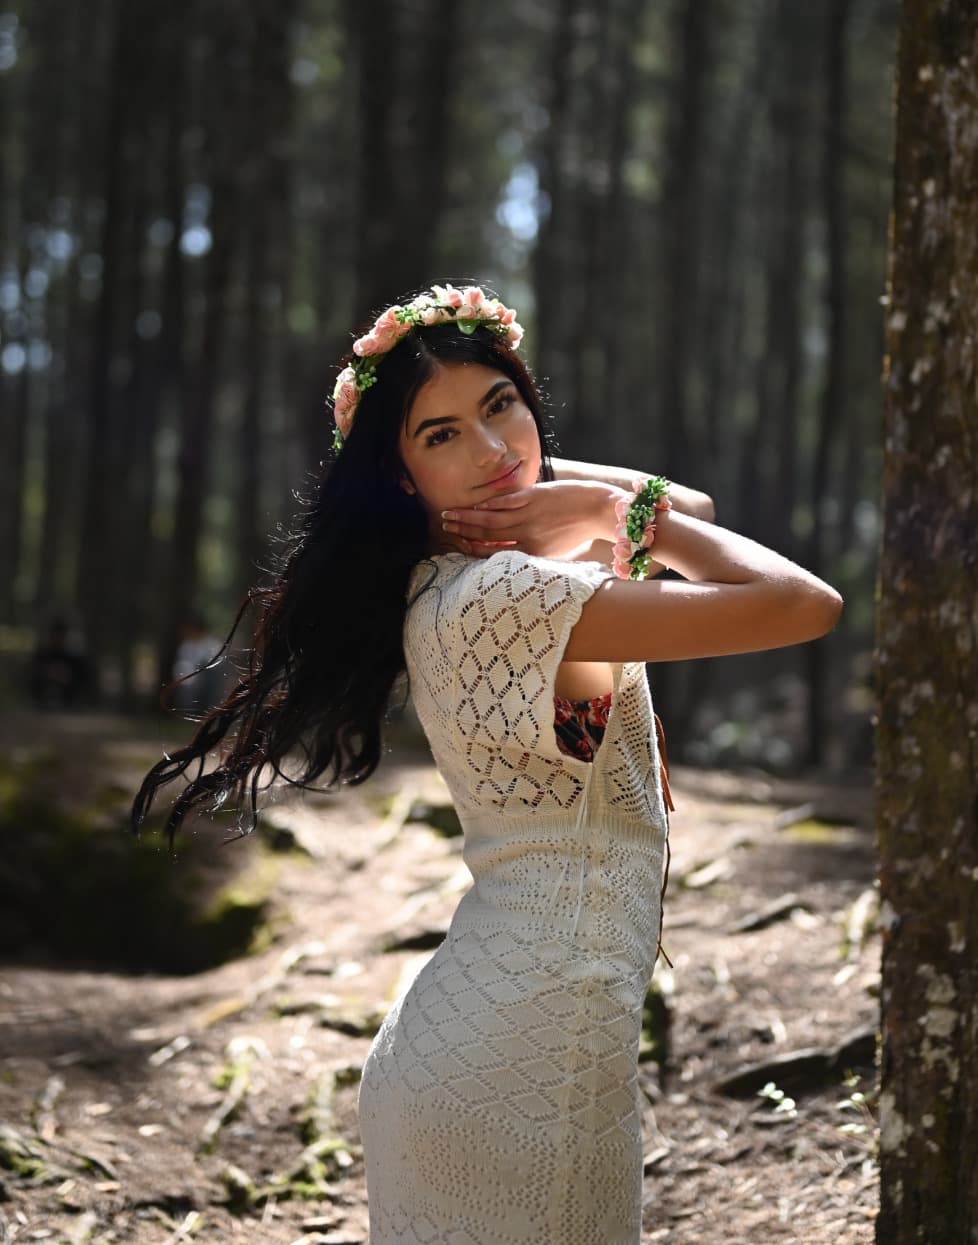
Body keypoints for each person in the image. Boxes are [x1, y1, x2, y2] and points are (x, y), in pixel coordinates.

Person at [131, 284, 842, 1243]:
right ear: (400, 478)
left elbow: (681, 515)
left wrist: (544, 490)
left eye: (501, 406)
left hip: (499, 1037)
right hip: (529, 1049)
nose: (491, 450)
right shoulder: (506, 598)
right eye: (440, 436)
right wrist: (580, 500)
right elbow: (800, 602)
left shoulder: (454, 583)